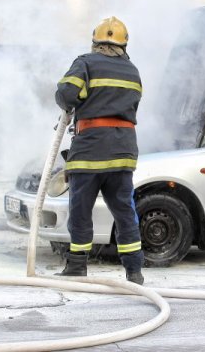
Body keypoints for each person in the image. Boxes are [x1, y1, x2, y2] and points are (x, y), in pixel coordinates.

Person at [54, 16, 144, 285]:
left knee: (81, 209)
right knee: (124, 210)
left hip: (90, 150)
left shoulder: (85, 63)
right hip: (124, 150)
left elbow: (67, 94)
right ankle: (134, 271)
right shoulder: (133, 71)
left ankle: (77, 266)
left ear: (96, 42)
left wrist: (75, 103)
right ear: (124, 45)